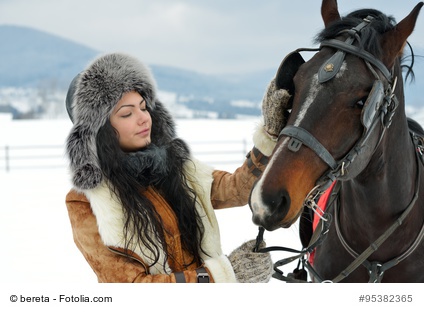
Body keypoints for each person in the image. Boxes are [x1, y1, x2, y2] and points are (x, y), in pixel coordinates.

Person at [65, 52, 290, 283]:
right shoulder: (86, 202)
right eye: (126, 113)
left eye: (143, 107)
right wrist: (220, 276)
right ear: (100, 131)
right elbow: (130, 285)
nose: (143, 118)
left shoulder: (176, 167)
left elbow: (236, 189)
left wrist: (269, 137)